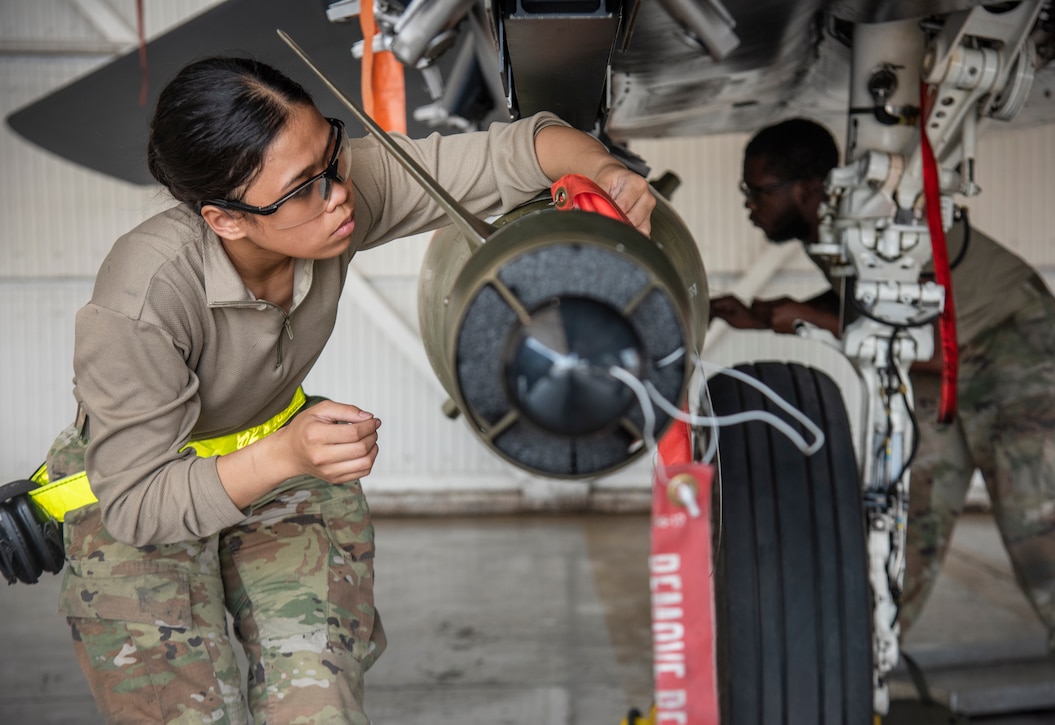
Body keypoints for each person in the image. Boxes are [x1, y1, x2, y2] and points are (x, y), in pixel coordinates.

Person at [41, 55, 656, 725]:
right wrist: (288, 456)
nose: (338, 192)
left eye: (330, 152)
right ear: (226, 220)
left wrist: (606, 171)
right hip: (143, 487)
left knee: (317, 702)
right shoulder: (142, 297)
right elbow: (135, 502)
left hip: (277, 452)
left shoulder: (340, 190)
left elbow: (523, 147)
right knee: (180, 711)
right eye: (303, 187)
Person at [710, 117, 1055, 702]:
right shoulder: (831, 227)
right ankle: (855, 670)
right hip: (943, 360)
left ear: (806, 189)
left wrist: (809, 320)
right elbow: (866, 303)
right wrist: (766, 315)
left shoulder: (876, 222)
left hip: (1007, 343)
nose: (750, 207)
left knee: (1039, 516)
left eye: (756, 192)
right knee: (904, 513)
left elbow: (932, 344)